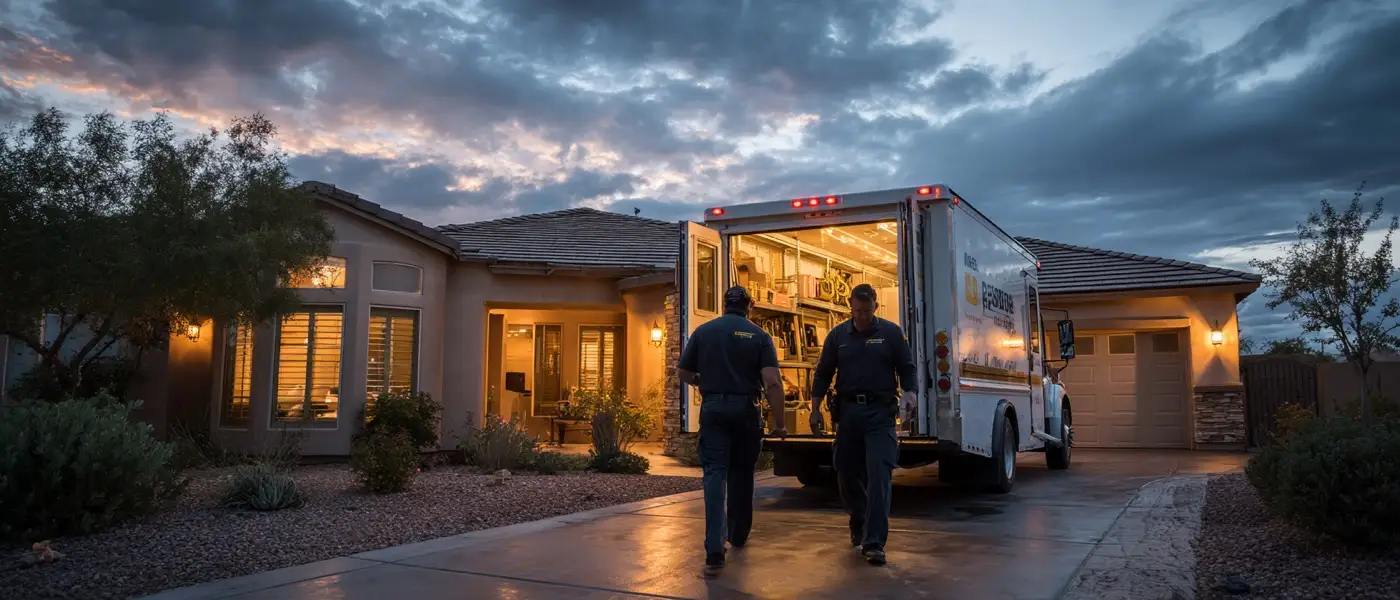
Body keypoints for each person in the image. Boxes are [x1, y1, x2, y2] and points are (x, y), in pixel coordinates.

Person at [677, 285, 787, 576]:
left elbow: (683, 373)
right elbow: (772, 383)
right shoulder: (760, 336)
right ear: (749, 307)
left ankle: (714, 545)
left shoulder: (703, 332)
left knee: (714, 473)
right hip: (746, 411)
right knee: (741, 473)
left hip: (713, 409)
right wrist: (780, 423)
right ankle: (737, 534)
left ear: (724, 305)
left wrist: (705, 382)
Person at [809, 283, 916, 566]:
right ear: (851, 307)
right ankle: (858, 518)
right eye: (858, 312)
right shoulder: (838, 336)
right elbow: (823, 372)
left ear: (875, 308)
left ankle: (875, 542)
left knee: (880, 475)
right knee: (844, 471)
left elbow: (907, 368)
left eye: (867, 312)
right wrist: (815, 408)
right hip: (848, 414)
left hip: (880, 414)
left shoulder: (891, 333)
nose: (862, 317)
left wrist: (910, 394)